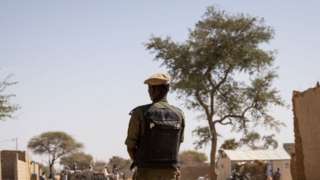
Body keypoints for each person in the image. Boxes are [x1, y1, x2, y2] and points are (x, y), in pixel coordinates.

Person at [125, 73, 185, 180]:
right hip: (170, 172)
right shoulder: (179, 114)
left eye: (150, 88)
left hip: (145, 172)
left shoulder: (140, 113)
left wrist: (141, 163)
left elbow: (130, 146)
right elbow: (178, 144)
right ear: (168, 89)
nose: (149, 91)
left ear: (152, 90)